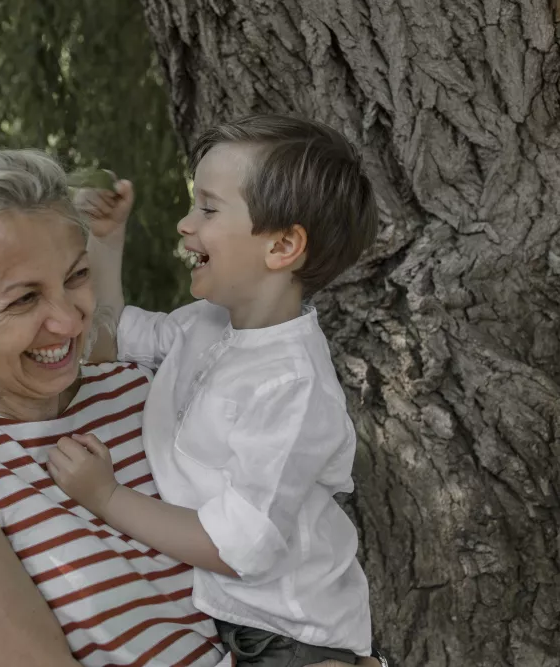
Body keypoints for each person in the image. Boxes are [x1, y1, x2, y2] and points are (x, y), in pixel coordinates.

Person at [0, 148, 377, 667]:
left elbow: (262, 564)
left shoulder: (140, 391)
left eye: (76, 277)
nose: (70, 322)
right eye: (23, 299)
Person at [48, 115, 379, 666]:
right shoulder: (204, 324)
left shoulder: (291, 386)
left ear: (282, 246)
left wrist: (106, 498)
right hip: (229, 620)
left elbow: (239, 547)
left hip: (291, 638)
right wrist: (105, 243)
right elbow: (105, 339)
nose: (184, 224)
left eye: (207, 207)